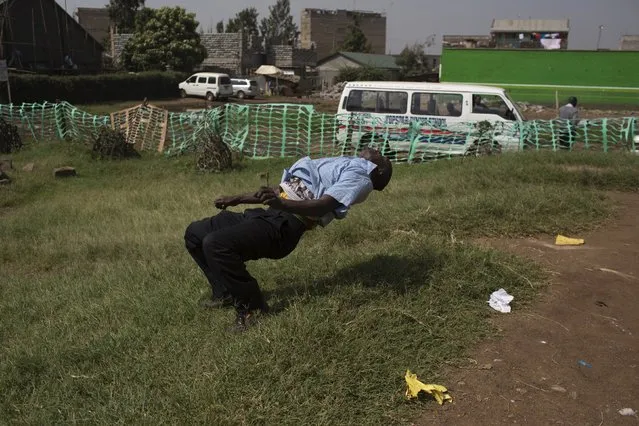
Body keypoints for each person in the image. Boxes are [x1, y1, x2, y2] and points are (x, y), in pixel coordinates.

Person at [184, 148, 393, 331]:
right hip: (269, 214)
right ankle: (225, 292)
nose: (376, 148)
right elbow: (282, 191)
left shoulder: (360, 178)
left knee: (216, 244)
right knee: (195, 233)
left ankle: (253, 310)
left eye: (380, 154)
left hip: (285, 226)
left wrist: (281, 205)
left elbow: (323, 205)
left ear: (379, 169)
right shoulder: (343, 163)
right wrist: (237, 199)